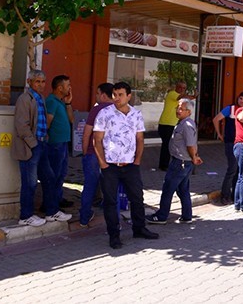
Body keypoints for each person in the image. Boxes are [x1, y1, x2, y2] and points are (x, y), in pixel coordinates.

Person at [93, 81, 159, 249]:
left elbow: (140, 139)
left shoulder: (136, 114)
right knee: (110, 201)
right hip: (110, 166)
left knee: (137, 198)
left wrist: (137, 161)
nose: (117, 98)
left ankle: (139, 228)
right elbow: (97, 140)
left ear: (129, 96)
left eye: (120, 94)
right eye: (114, 94)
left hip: (130, 165)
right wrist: (103, 163)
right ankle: (114, 235)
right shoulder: (104, 113)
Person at [147, 98, 203, 224]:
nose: (178, 110)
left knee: (168, 188)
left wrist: (194, 157)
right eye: (177, 107)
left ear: (188, 112)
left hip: (180, 162)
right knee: (183, 189)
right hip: (183, 161)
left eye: (181, 109)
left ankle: (161, 216)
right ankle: (187, 215)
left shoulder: (187, 125)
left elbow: (190, 144)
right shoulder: (183, 122)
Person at [11, 70, 50, 227]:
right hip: (31, 146)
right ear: (29, 81)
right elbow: (22, 126)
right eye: (37, 81)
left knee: (49, 178)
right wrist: (33, 144)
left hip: (41, 143)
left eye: (43, 81)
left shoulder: (40, 98)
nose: (40, 84)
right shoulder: (24, 99)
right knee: (30, 183)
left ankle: (52, 211)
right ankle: (26, 216)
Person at [79, 82, 113, 227]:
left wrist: (85, 152)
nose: (97, 96)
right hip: (111, 156)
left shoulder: (97, 109)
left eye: (98, 93)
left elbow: (87, 133)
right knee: (111, 187)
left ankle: (84, 218)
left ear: (104, 95)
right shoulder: (119, 110)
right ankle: (112, 219)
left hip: (94, 153)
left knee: (89, 186)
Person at [42, 75, 74, 222]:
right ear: (60, 88)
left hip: (63, 143)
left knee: (61, 174)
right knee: (53, 176)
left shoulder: (60, 102)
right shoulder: (51, 102)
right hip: (55, 145)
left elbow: (71, 120)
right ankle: (50, 206)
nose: (69, 88)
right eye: (67, 85)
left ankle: (56, 200)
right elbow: (47, 123)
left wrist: (68, 103)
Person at [212, 91, 243, 205]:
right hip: (231, 143)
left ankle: (234, 196)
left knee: (238, 170)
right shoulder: (231, 109)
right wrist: (219, 134)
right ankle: (224, 195)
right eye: (240, 98)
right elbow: (216, 119)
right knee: (232, 169)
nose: (241, 101)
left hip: (242, 144)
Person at [158, 80, 192, 171]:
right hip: (166, 124)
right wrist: (192, 96)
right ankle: (164, 165)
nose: (182, 89)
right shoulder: (172, 94)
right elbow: (182, 97)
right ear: (176, 87)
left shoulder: (182, 99)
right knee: (167, 145)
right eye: (180, 87)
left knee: (171, 144)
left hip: (173, 124)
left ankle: (167, 163)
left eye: (184, 88)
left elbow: (187, 101)